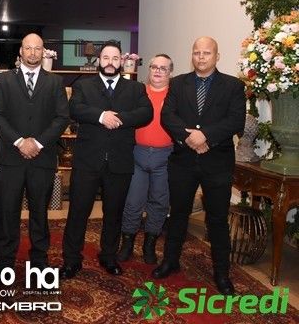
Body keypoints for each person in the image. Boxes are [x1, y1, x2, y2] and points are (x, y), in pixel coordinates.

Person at [152, 37, 245, 295]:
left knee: (217, 219)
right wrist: (190, 139)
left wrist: (206, 136)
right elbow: (168, 116)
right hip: (183, 160)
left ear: (217, 56)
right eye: (196, 52)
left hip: (217, 162)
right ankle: (170, 261)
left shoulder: (233, 86)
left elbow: (236, 121)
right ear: (191, 55)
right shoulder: (178, 83)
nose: (201, 57)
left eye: (206, 53)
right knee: (178, 213)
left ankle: (221, 273)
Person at [61, 41, 152, 279]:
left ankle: (109, 257)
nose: (110, 63)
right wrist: (101, 116)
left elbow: (146, 113)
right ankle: (71, 260)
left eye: (115, 58)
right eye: (105, 58)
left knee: (114, 213)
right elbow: (74, 108)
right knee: (78, 213)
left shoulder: (135, 88)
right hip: (87, 162)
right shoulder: (83, 85)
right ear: (99, 61)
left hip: (120, 163)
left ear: (121, 61)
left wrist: (119, 118)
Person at [0, 33, 69, 269]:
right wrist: (19, 142)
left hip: (42, 159)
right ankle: (6, 261)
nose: (33, 53)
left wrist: (38, 143)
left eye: (37, 48)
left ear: (43, 52)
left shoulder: (55, 82)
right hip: (10, 159)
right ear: (21, 51)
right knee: (8, 212)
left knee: (40, 213)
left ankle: (39, 261)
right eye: (28, 48)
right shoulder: (4, 80)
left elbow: (62, 118)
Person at [117, 54, 173, 264]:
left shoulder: (175, 95)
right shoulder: (137, 92)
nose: (158, 71)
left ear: (170, 73)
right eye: (154, 67)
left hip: (165, 156)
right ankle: (127, 243)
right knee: (133, 201)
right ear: (148, 70)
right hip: (137, 154)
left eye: (163, 68)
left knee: (159, 203)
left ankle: (149, 245)